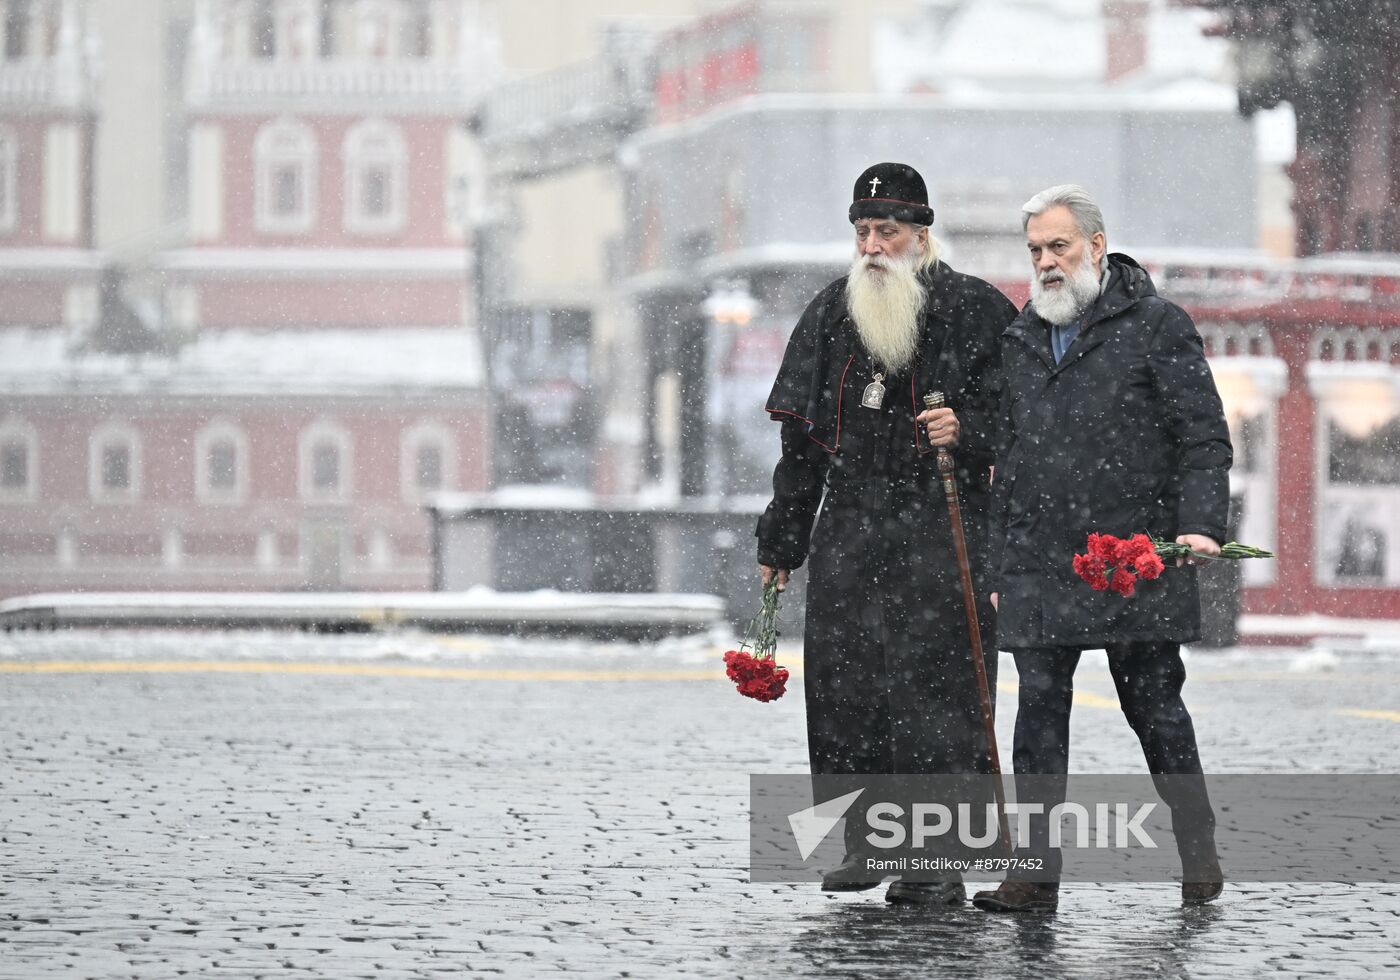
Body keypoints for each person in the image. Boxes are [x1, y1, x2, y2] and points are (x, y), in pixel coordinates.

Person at [757, 162, 1017, 906]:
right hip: (850, 524)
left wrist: (967, 430)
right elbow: (801, 449)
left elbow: (1025, 423)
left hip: (942, 523)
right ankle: (866, 843)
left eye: (889, 231)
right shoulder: (829, 314)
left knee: (937, 696)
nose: (873, 246)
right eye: (864, 231)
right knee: (847, 689)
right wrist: (782, 542)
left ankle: (935, 859)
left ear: (922, 235)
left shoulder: (975, 310)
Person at [973, 184, 1232, 913]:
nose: (1046, 262)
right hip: (1038, 561)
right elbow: (1007, 460)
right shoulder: (1021, 338)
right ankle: (1032, 875)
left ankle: (1197, 847)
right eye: (1034, 251)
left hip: (1133, 556)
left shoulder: (1157, 326)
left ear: (1095, 244)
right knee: (1037, 722)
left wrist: (1202, 526)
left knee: (1156, 712)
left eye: (1058, 246)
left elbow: (1203, 438)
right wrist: (999, 566)